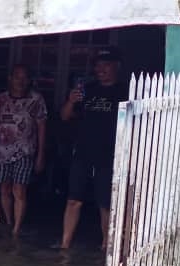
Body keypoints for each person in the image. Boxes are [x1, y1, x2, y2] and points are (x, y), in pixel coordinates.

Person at [54, 47, 129, 251]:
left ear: (116, 66)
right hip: (83, 152)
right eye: (98, 65)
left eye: (106, 65)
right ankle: (65, 244)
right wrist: (70, 101)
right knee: (73, 199)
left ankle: (106, 245)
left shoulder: (124, 91)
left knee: (105, 202)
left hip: (110, 153)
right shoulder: (88, 90)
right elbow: (65, 116)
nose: (100, 69)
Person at [0, 65, 48, 238]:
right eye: (17, 77)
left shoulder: (36, 100)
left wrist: (41, 154)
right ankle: (9, 221)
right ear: (10, 78)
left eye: (24, 77)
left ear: (29, 80)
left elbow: (42, 128)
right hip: (1, 153)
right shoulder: (1, 99)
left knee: (19, 190)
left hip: (25, 152)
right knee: (4, 188)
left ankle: (16, 229)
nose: (21, 81)